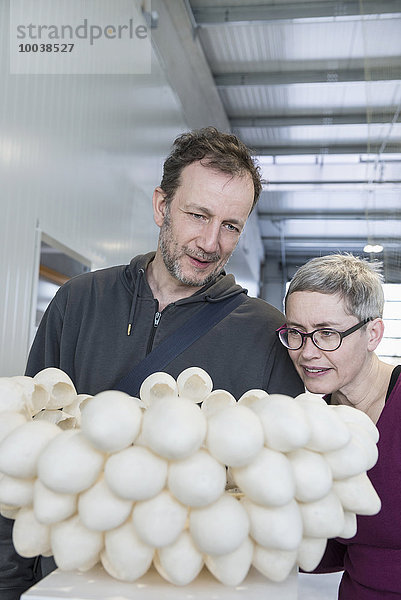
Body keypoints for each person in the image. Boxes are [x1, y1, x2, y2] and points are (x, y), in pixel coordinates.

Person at [1, 127, 304, 599]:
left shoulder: (267, 333)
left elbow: (279, 493)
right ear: (162, 206)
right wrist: (10, 582)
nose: (210, 242)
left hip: (192, 584)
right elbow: (20, 453)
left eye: (231, 226)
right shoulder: (80, 302)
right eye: (198, 215)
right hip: (67, 575)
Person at [277, 253, 401, 600]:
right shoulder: (312, 426)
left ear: (373, 333)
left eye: (327, 333)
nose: (307, 353)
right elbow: (325, 552)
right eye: (296, 333)